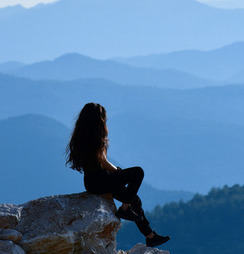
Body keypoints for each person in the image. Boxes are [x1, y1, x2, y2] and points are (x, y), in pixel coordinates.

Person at [65, 102, 171, 248]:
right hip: (102, 180)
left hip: (91, 182)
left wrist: (117, 173)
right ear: (99, 120)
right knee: (138, 172)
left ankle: (150, 236)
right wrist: (118, 172)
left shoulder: (81, 137)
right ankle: (125, 209)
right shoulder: (96, 138)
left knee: (135, 199)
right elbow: (103, 162)